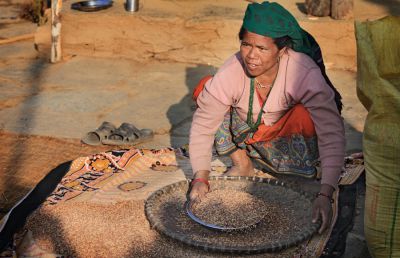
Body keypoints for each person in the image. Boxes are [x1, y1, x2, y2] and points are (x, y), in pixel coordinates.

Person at [188, 1, 346, 253]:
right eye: (246, 45)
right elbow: (204, 124)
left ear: (282, 50)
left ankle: (301, 175)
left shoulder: (303, 71)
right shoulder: (232, 69)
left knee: (307, 115)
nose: (251, 55)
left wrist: (325, 193)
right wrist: (200, 177)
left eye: (262, 48)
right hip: (250, 135)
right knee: (206, 91)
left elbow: (332, 134)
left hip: (285, 141)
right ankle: (243, 163)